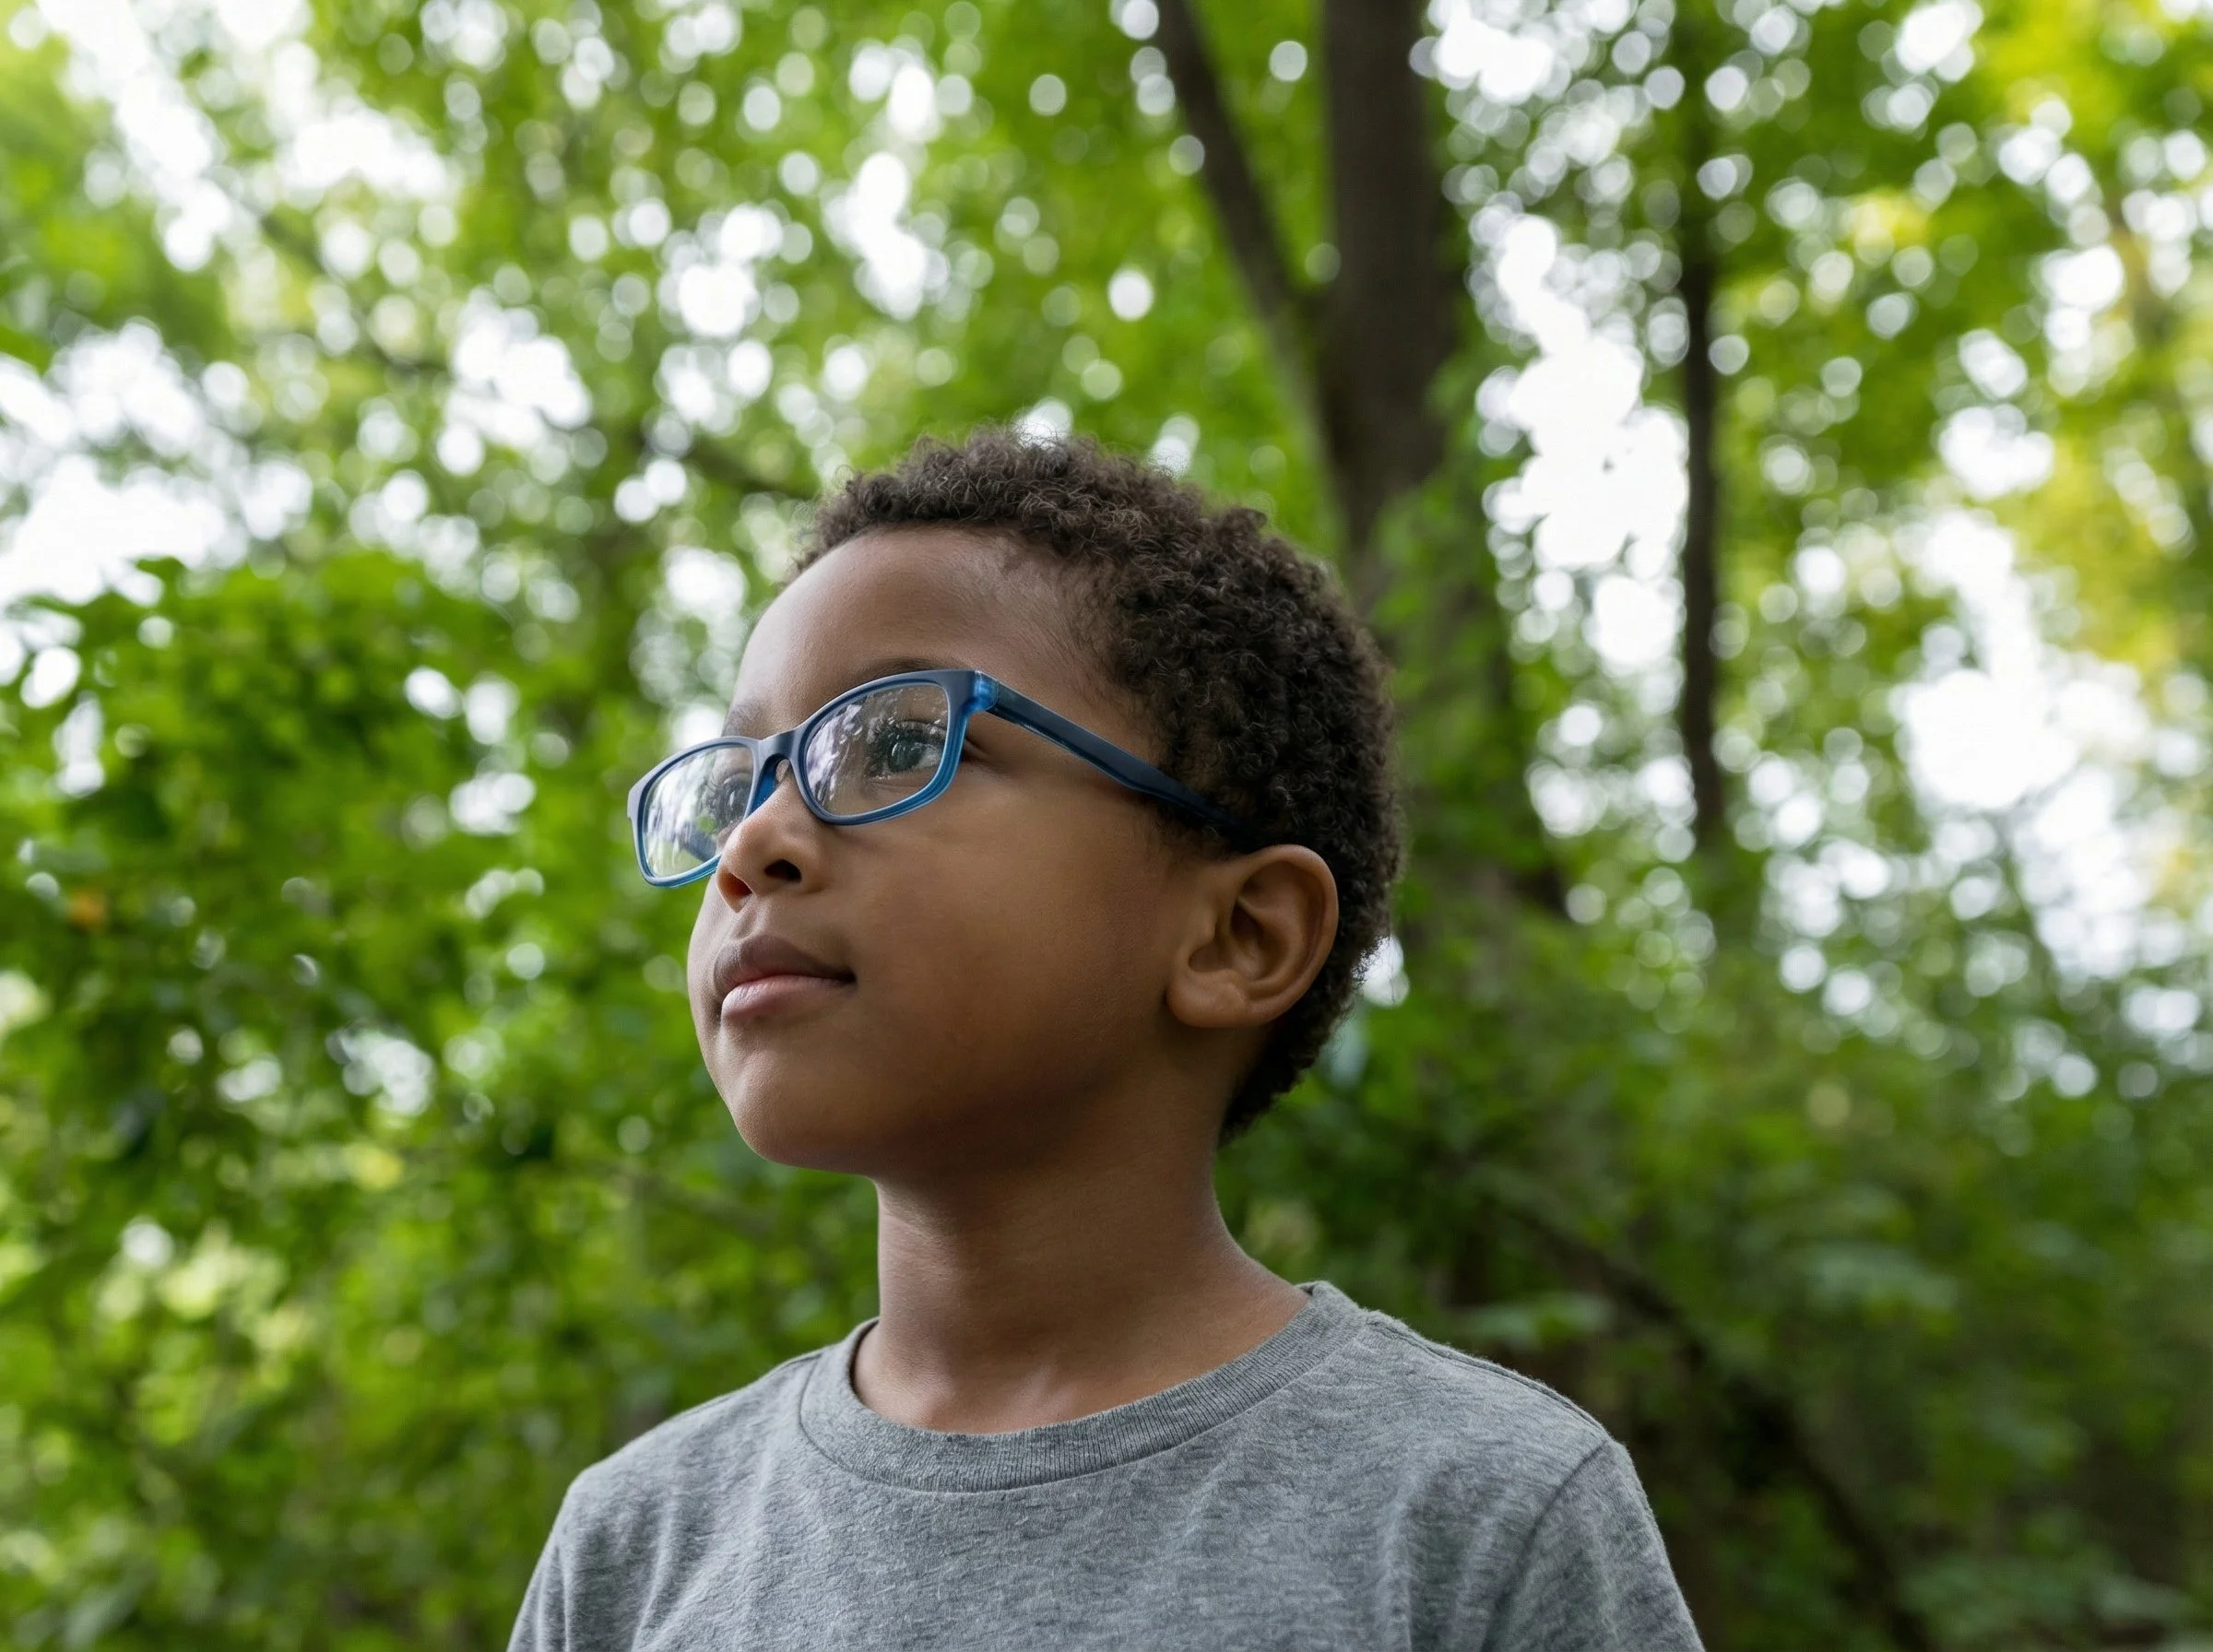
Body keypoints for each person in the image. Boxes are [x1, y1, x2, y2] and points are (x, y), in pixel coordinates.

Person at [509, 431, 1702, 1649]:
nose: (756, 841)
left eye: (903, 743)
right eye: (743, 777)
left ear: (1237, 936)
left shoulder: (1481, 1512)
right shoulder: (635, 1547)